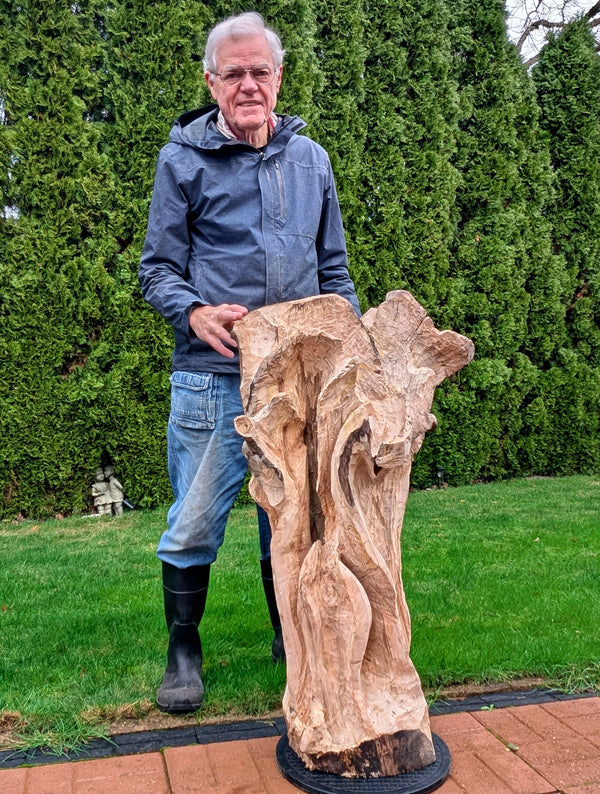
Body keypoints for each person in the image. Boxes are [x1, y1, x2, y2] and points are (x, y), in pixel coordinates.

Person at [139, 11, 360, 714]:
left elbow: (334, 272)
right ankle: (183, 649)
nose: (247, 85)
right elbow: (157, 269)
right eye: (232, 74)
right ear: (211, 83)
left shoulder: (312, 160)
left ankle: (288, 634)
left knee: (293, 518)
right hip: (213, 378)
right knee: (195, 520)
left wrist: (353, 350)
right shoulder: (181, 162)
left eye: (259, 71)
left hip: (298, 381)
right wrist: (195, 312)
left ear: (279, 77)